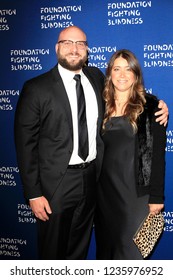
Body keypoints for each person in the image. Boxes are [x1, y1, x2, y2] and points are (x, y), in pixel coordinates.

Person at [14, 26, 168, 260]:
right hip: (57, 186)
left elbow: (153, 148)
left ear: (87, 49)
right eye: (67, 43)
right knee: (52, 253)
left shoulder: (95, 79)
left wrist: (159, 106)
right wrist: (33, 194)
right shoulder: (36, 88)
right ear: (57, 47)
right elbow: (25, 144)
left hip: (93, 182)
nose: (74, 49)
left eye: (80, 44)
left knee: (81, 249)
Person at [94, 49, 167, 260]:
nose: (122, 74)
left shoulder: (152, 107)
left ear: (136, 74)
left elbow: (157, 158)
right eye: (117, 69)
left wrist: (156, 197)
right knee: (107, 254)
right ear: (110, 74)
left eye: (128, 69)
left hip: (136, 197)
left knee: (130, 256)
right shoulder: (100, 107)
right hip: (104, 196)